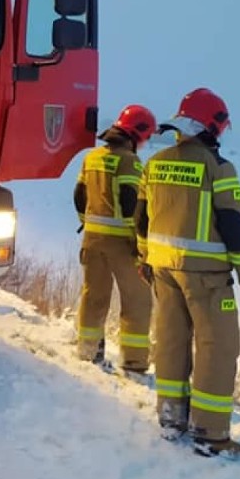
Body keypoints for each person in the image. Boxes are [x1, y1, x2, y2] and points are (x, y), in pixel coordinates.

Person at [135, 88, 240, 458]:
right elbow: (234, 226)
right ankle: (210, 434)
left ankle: (171, 419)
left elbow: (140, 220)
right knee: (217, 348)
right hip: (206, 277)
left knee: (171, 340)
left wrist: (144, 259)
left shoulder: (155, 163)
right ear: (211, 125)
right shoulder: (219, 168)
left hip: (162, 269)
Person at [74, 104, 157, 372]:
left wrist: (86, 223)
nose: (145, 143)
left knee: (93, 296)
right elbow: (131, 200)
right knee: (137, 300)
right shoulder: (129, 161)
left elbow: (79, 195)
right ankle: (134, 362)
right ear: (137, 133)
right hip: (123, 245)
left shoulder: (92, 157)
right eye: (146, 137)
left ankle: (88, 351)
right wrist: (139, 239)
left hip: (92, 240)